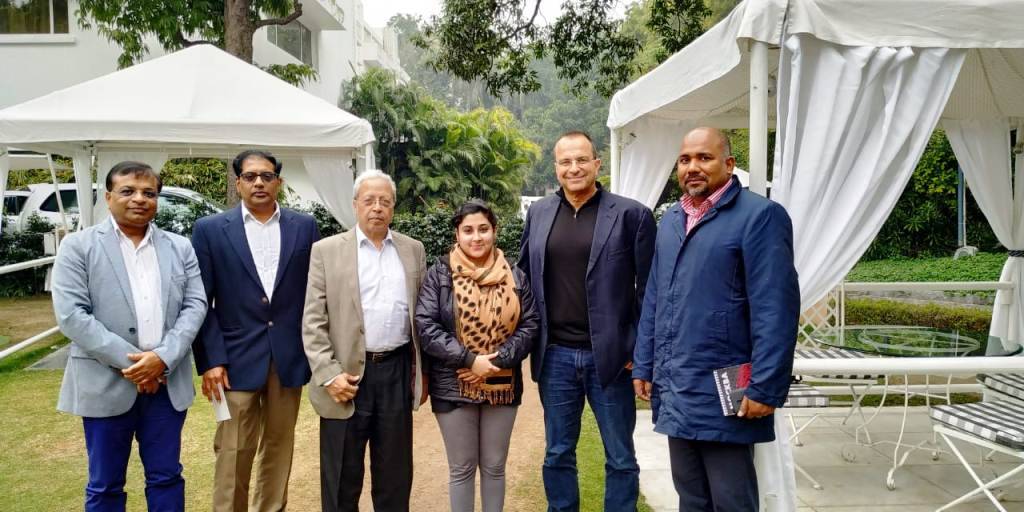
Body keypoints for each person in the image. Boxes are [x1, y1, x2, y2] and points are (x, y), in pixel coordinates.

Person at [632, 127, 800, 511]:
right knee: (691, 498)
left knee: (731, 500)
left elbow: (775, 309)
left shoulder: (760, 217)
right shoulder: (672, 220)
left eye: (704, 158)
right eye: (685, 159)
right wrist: (644, 363)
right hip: (677, 385)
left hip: (729, 387)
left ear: (729, 164)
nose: (692, 166)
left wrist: (765, 386)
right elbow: (655, 299)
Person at [52, 161, 206, 511]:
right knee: (105, 485)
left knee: (167, 477)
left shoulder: (180, 247)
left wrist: (162, 359)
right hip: (106, 382)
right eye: (128, 191)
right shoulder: (78, 246)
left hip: (167, 384)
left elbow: (195, 305)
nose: (139, 199)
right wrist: (138, 367)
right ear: (108, 198)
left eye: (149, 193)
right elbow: (72, 316)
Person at [518, 130, 657, 511]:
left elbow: (650, 290)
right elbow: (523, 278)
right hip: (555, 356)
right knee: (557, 453)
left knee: (620, 456)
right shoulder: (539, 213)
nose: (574, 168)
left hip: (611, 358)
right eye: (565, 161)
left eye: (582, 160)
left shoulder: (631, 215)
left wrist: (638, 350)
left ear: (597, 164)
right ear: (556, 168)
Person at [191, 150, 320, 512]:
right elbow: (199, 300)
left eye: (267, 176)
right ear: (238, 183)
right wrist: (210, 360)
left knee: (279, 448)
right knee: (233, 449)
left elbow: (315, 291)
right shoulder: (210, 230)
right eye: (250, 177)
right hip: (233, 361)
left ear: (279, 182)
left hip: (288, 357)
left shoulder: (304, 227)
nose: (259, 182)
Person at [302, 169, 427, 512]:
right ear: (355, 204)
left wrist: (423, 373)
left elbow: (422, 316)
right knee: (342, 478)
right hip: (346, 377)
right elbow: (313, 321)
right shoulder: (326, 251)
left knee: (394, 475)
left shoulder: (412, 250)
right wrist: (329, 375)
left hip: (396, 372)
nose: (377, 207)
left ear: (393, 207)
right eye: (369, 200)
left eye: (385, 201)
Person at [415, 200, 540, 512]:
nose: (476, 237)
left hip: (502, 382)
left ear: (494, 231)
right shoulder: (439, 275)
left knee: (495, 466)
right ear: (457, 234)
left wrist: (494, 361)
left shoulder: (515, 275)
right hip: (453, 384)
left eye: (483, 229)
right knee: (462, 468)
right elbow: (426, 326)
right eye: (468, 230)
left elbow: (530, 324)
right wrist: (470, 360)